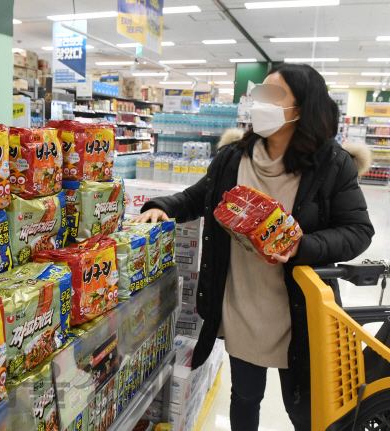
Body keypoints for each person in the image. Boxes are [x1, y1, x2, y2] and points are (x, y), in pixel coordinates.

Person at [131, 63, 374, 431]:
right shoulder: (234, 157)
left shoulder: (332, 164)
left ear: (302, 108)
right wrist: (162, 206)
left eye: (273, 96)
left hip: (298, 311)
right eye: (260, 93)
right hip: (242, 303)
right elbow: (200, 198)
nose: (261, 102)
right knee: (245, 397)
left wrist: (301, 246)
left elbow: (358, 231)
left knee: (304, 409)